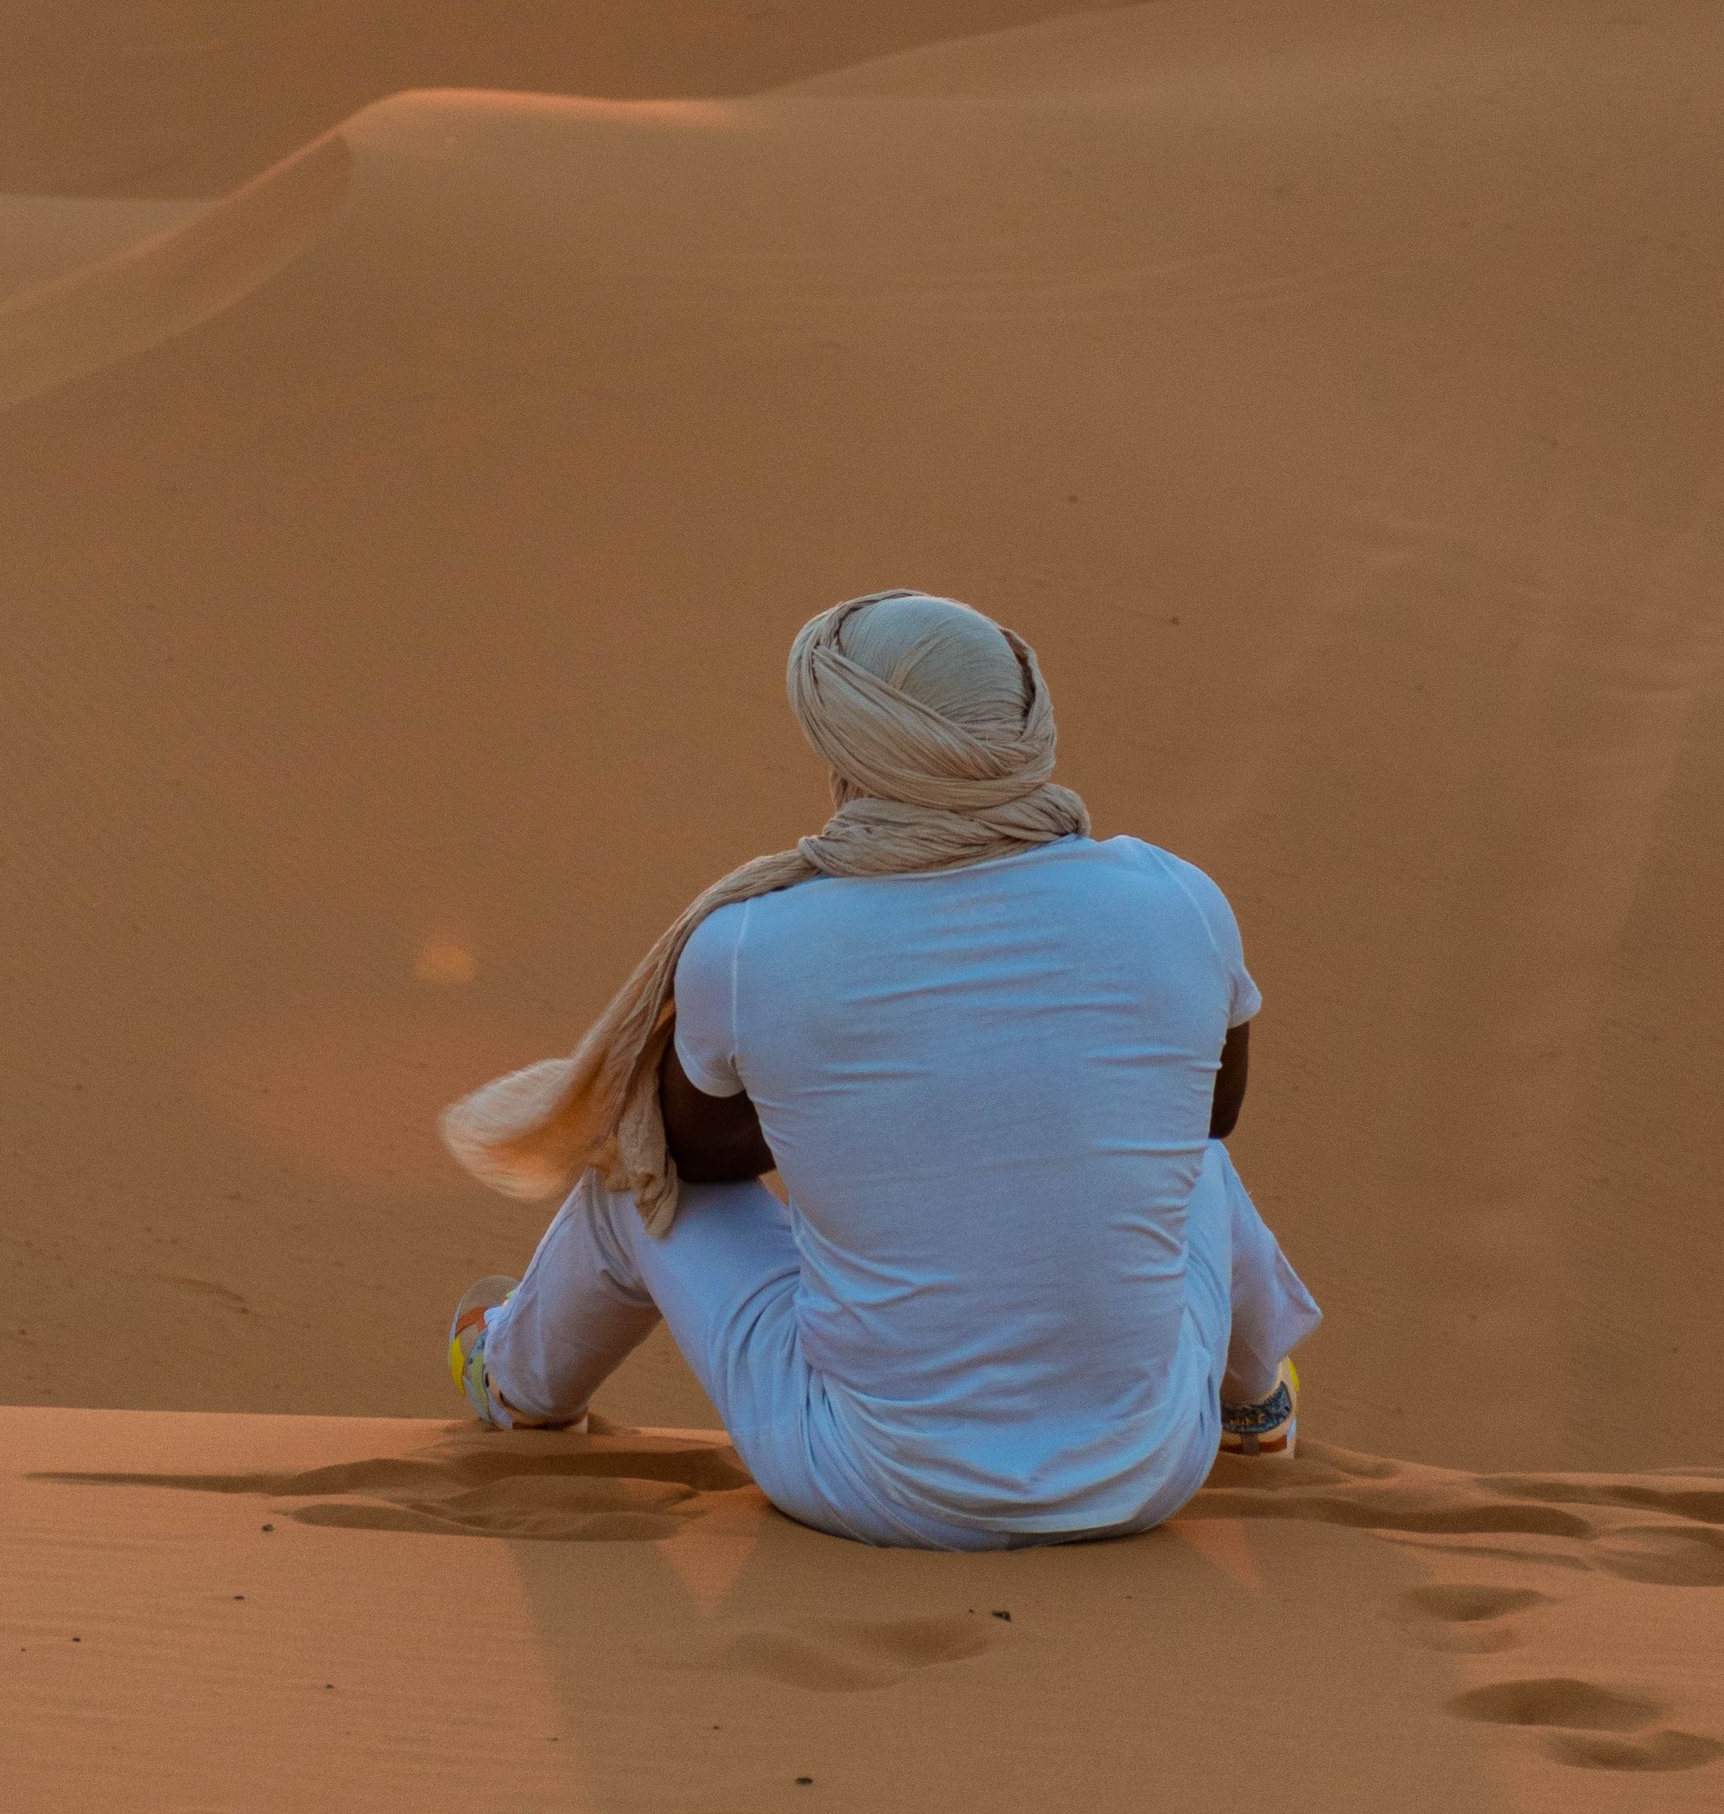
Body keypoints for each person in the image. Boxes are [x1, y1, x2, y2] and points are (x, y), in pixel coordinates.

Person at [439, 589, 1318, 1549]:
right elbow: (1212, 1111)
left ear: (846, 747)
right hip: (1151, 1471)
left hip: (872, 1483)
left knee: (628, 1180)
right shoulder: (1176, 899)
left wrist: (872, 1108)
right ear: (1026, 729)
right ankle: (1252, 1408)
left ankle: (518, 1387)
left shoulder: (754, 943)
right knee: (1199, 1168)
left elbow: (687, 1156)